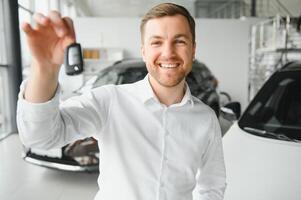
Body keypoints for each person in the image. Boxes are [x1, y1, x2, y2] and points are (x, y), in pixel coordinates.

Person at [17, 3, 226, 200]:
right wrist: (44, 70)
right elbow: (40, 137)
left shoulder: (206, 119)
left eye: (180, 41)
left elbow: (212, 186)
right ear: (144, 51)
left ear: (193, 50)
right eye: (157, 42)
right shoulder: (109, 101)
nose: (168, 53)